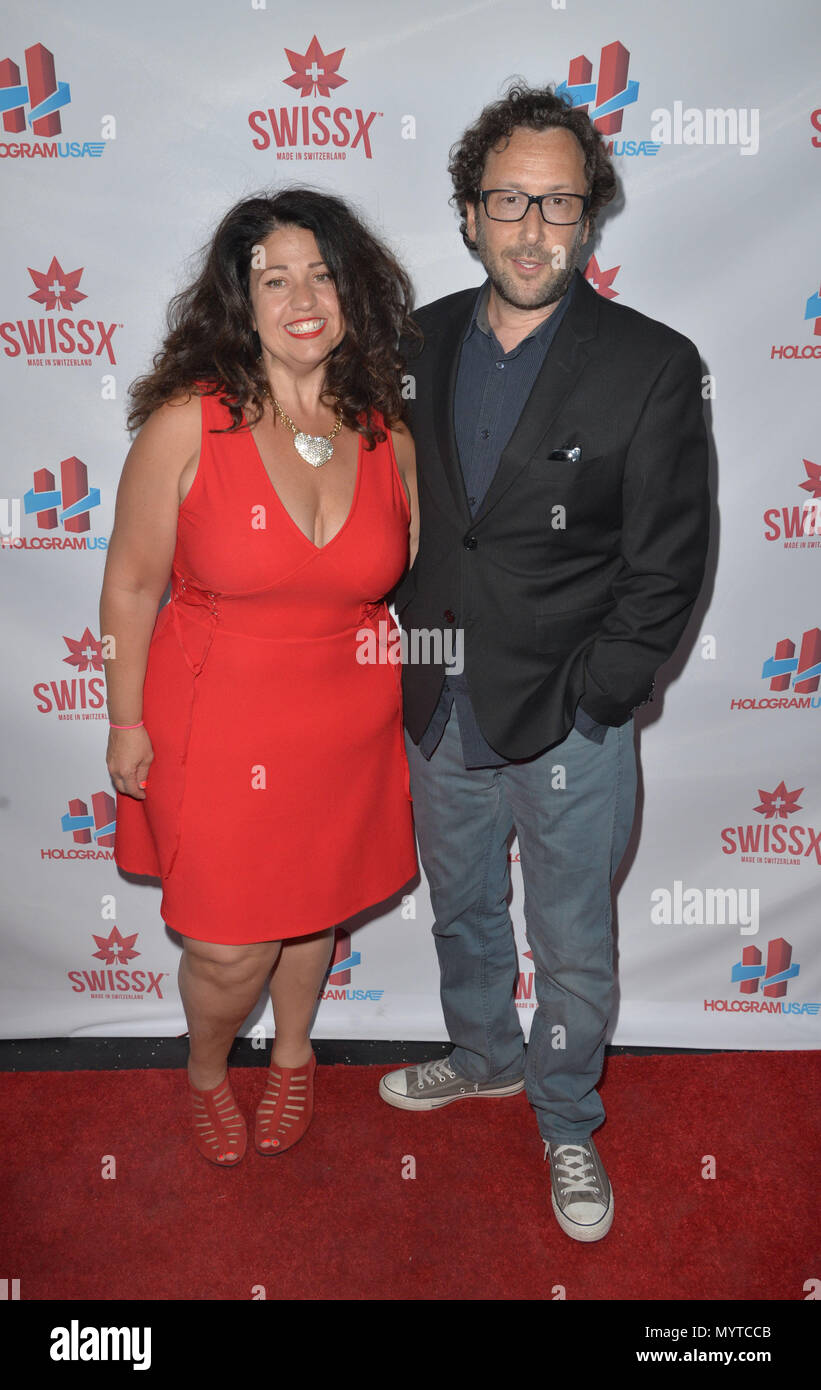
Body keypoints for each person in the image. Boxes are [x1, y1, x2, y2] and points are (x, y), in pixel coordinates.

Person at [379, 83, 710, 1241]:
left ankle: (566, 1116)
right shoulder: (408, 341)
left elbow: (667, 565)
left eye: (557, 202)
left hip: (569, 716)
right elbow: (400, 522)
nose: (530, 227)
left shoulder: (651, 364)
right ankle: (481, 1056)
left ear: (589, 218)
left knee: (569, 942)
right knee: (462, 910)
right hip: (436, 706)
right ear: (469, 214)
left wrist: (597, 698)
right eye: (507, 200)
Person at [101, 188, 418, 1167]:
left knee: (311, 911)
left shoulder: (385, 434)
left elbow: (412, 578)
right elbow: (131, 584)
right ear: (239, 302)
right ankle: (205, 1068)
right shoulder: (187, 426)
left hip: (348, 725)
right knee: (229, 943)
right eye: (273, 278)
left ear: (350, 291)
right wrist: (122, 720)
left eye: (321, 273)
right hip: (217, 723)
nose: (302, 296)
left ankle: (292, 1054)